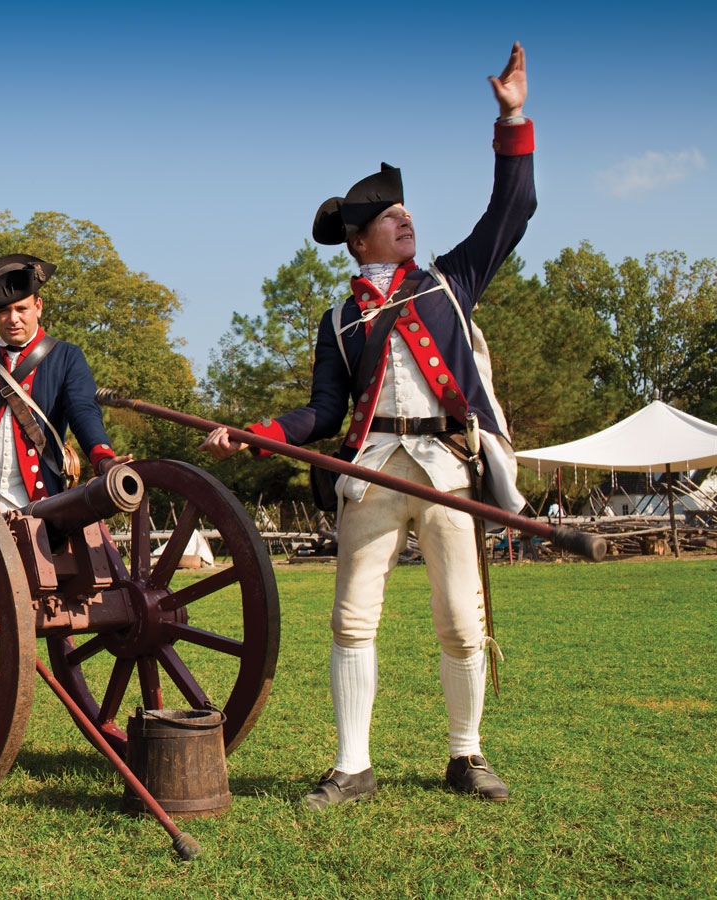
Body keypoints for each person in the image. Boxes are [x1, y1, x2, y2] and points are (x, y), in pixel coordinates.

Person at [201, 43, 534, 808]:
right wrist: (263, 431)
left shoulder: (450, 282)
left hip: (448, 464)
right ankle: (353, 766)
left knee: (460, 617)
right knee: (353, 619)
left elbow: (512, 212)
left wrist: (511, 118)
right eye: (390, 216)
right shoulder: (340, 319)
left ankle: (467, 754)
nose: (405, 219)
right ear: (360, 241)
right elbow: (323, 410)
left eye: (405, 210)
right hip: (371, 467)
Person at [0, 254, 130, 723]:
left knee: (18, 607)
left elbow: (83, 413)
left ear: (39, 307)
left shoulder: (65, 357)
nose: (12, 320)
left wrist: (102, 456)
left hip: (33, 506)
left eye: (21, 309)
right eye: (3, 313)